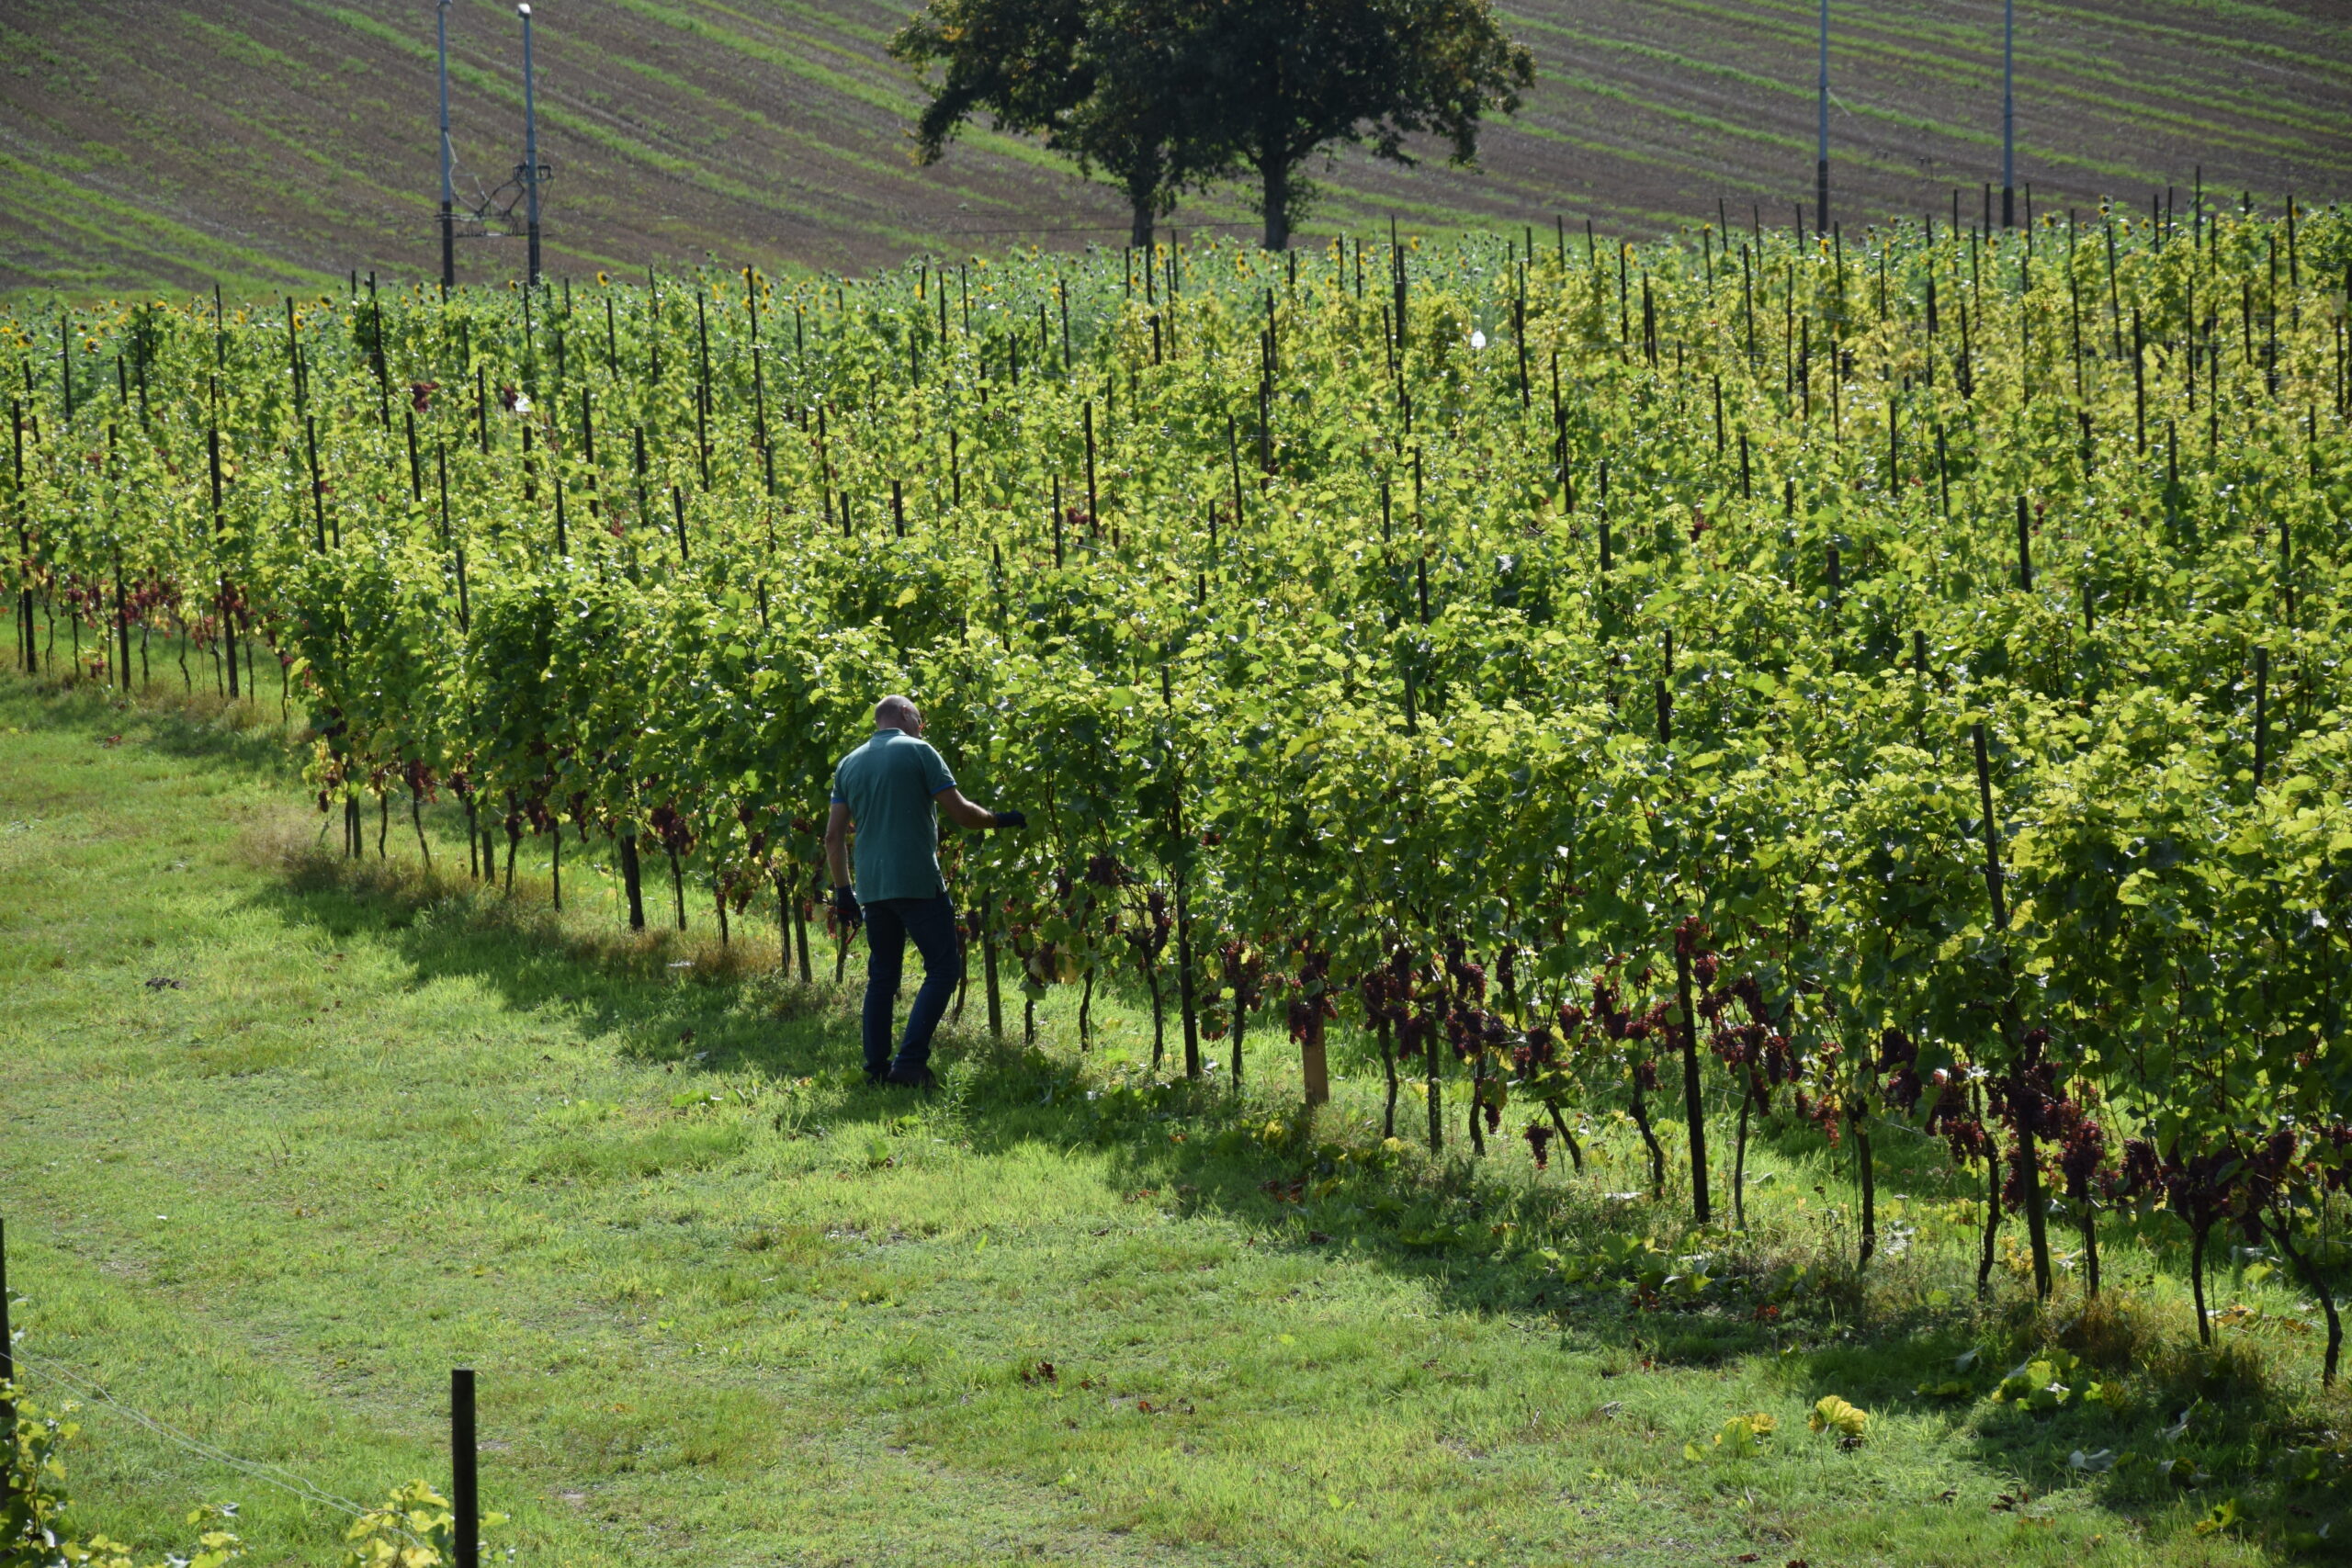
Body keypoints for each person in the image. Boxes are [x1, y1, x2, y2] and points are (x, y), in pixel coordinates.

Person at [826, 695, 1025, 1088]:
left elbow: (833, 837)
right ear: (904, 714)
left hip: (872, 886)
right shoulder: (919, 751)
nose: (923, 725)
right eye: (920, 716)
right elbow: (963, 814)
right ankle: (911, 1062)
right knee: (944, 968)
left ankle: (876, 1070)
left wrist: (843, 892)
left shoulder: (849, 763)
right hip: (917, 881)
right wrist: (1000, 820)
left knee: (882, 976)